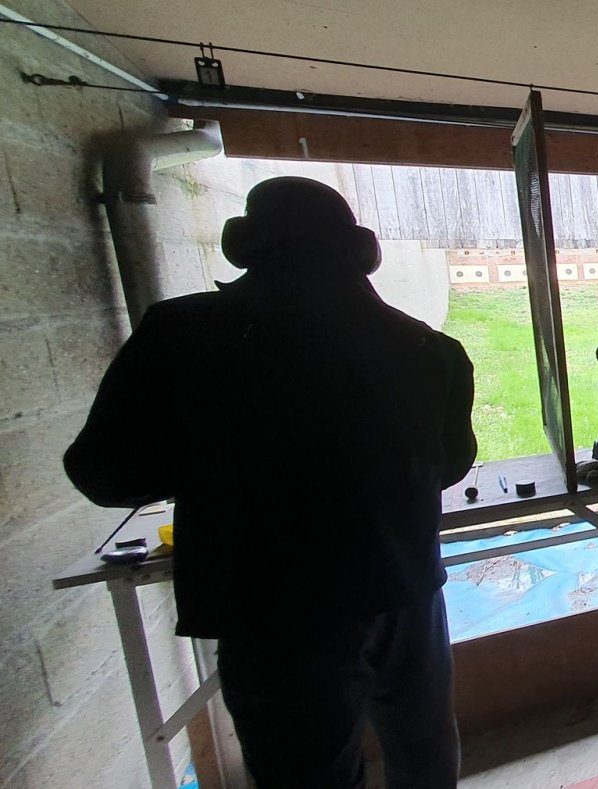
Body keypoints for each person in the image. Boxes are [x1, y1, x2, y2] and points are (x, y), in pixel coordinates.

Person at [64, 177, 476, 789]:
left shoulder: (180, 332)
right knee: (424, 755)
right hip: (404, 588)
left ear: (243, 243)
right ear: (361, 251)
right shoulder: (429, 347)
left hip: (272, 610)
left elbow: (104, 473)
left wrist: (217, 466)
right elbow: (451, 465)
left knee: (306, 776)